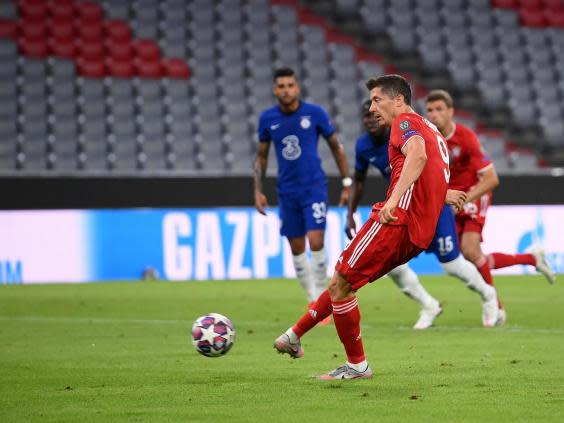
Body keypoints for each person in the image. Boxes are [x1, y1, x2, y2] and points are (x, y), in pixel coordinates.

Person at [274, 74, 468, 380]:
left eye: (378, 100)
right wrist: (444, 193)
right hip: (416, 231)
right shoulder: (431, 131)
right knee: (343, 282)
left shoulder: (405, 123)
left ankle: (356, 365)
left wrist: (393, 200)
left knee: (342, 281)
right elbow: (425, 173)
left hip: (396, 220)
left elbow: (416, 158)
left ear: (399, 100)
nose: (373, 108)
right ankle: (293, 336)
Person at [345, 100, 499, 329]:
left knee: (452, 264)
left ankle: (488, 295)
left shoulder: (404, 133)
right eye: (366, 116)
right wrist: (350, 213)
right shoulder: (363, 146)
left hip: (432, 204)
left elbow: (427, 163)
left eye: (375, 113)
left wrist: (442, 193)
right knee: (391, 264)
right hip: (404, 208)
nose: (371, 119)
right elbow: (358, 181)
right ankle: (429, 305)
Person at [424, 90, 556, 324]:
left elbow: (491, 178)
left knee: (471, 251)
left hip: (474, 194)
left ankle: (496, 308)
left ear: (451, 112)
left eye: (439, 109)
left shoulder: (465, 137)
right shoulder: (429, 139)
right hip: (450, 199)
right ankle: (531, 259)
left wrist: (466, 199)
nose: (434, 115)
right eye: (430, 110)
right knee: (471, 257)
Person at [254, 67, 351, 320]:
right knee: (297, 249)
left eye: (290, 85)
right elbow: (262, 156)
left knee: (316, 241)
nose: (286, 90)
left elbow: (336, 148)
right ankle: (312, 299)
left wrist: (347, 181)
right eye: (281, 86)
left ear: (297, 88)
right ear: (275, 90)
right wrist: (258, 190)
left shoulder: (315, 113)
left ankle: (322, 299)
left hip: (313, 187)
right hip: (287, 191)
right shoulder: (267, 119)